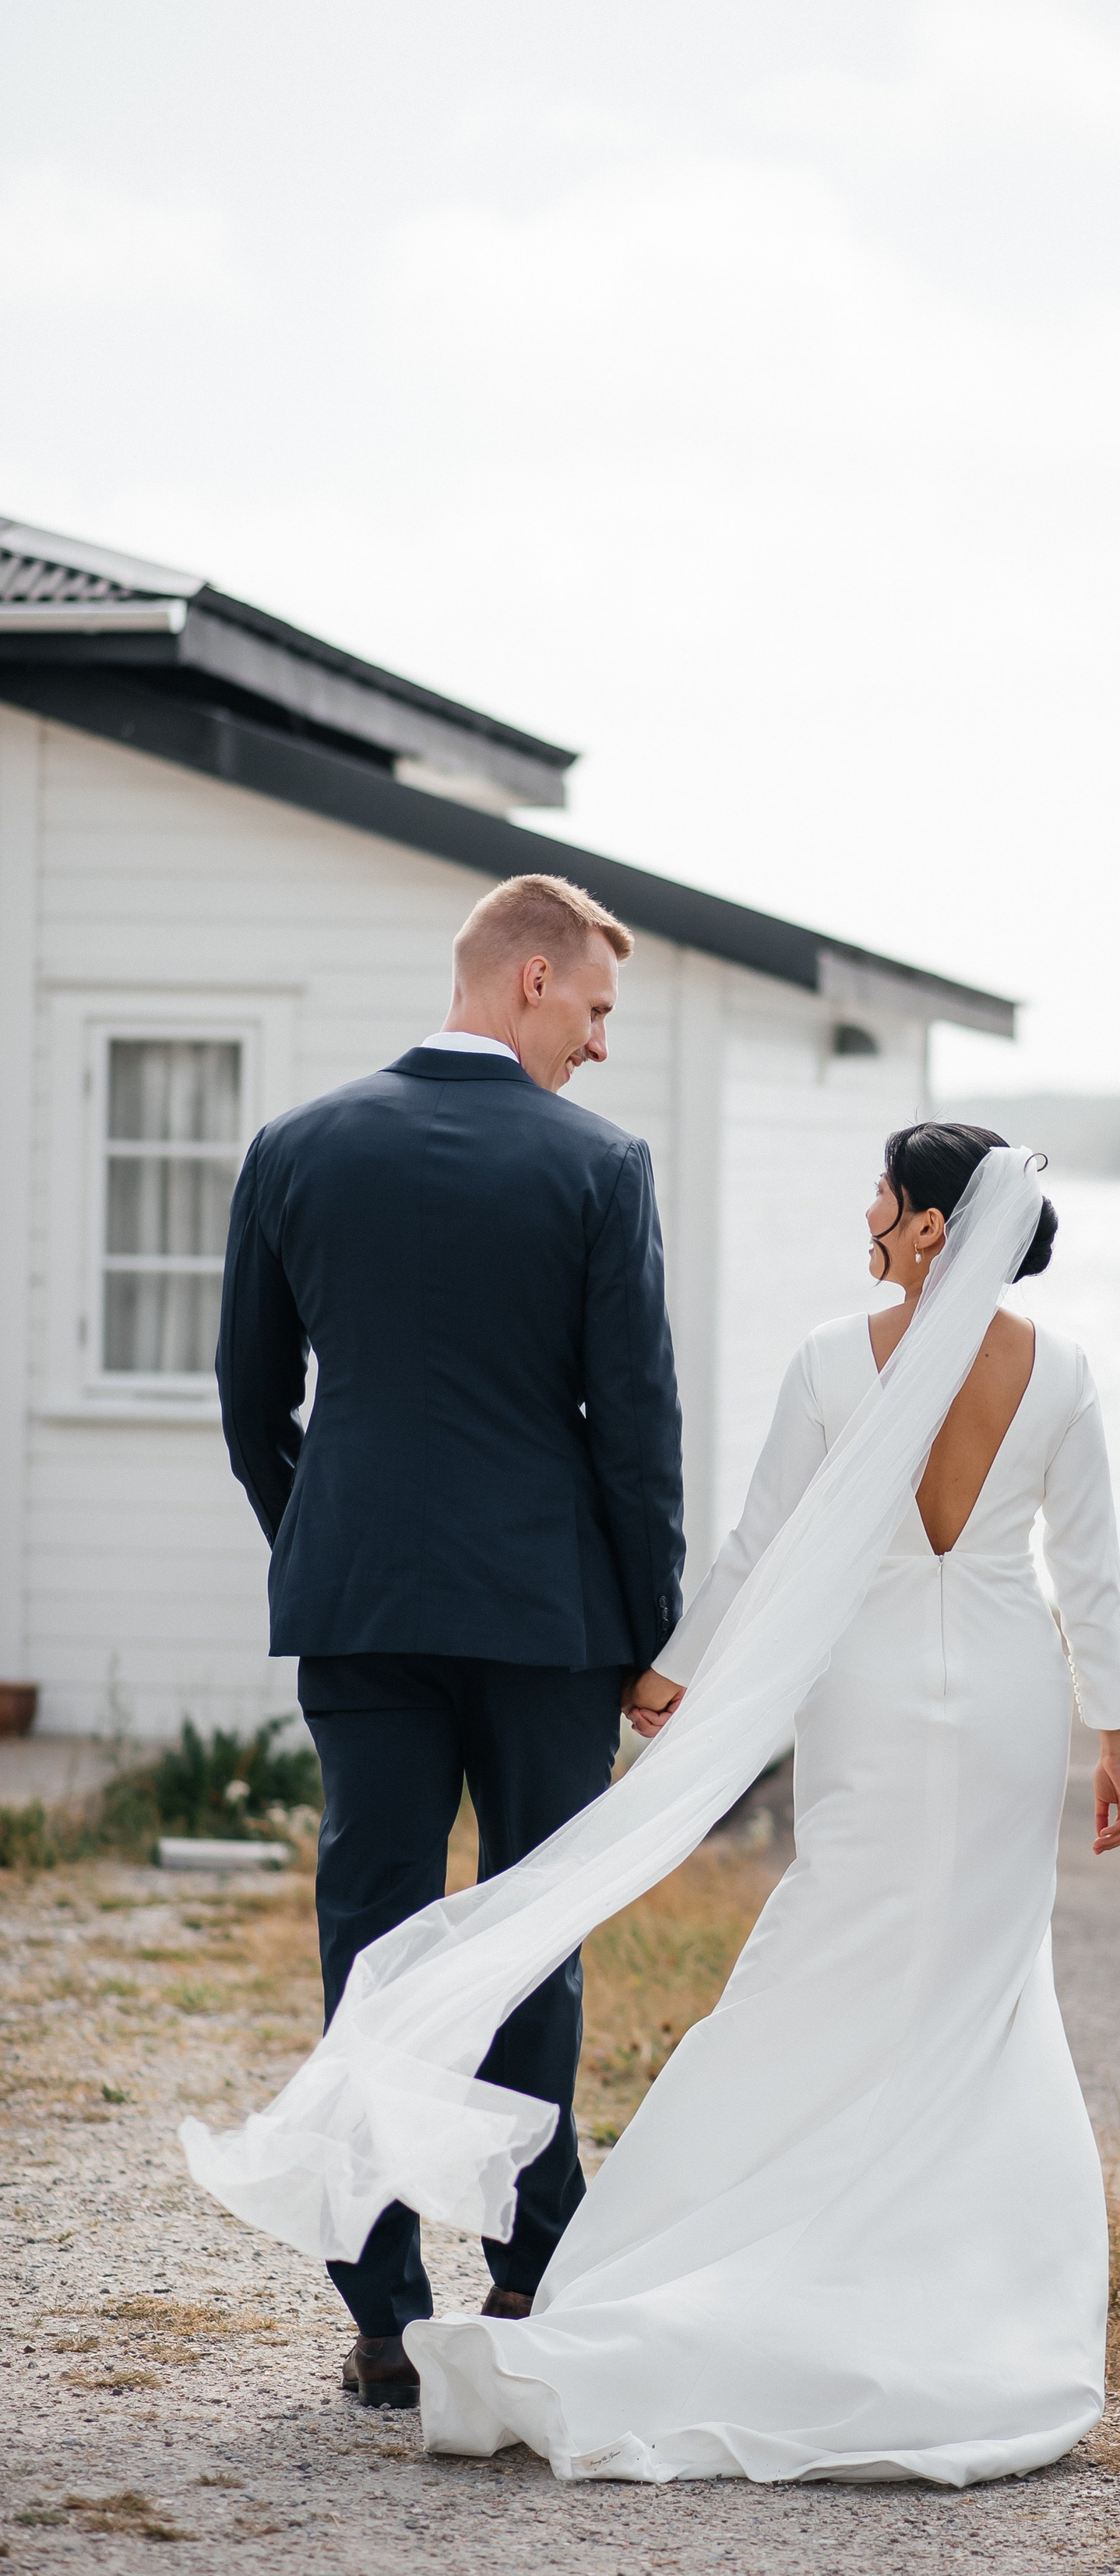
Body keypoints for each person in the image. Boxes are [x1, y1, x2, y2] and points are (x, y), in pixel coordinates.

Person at [401, 1122, 1120, 2483]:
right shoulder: (1066, 1374)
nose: (868, 1207)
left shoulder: (826, 1360)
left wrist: (670, 1672)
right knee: (981, 1979)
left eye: (886, 1191)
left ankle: (754, 2227)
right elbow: (1086, 1573)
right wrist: (1118, 1735)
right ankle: (944, 2264)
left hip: (861, 1694)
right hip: (1011, 1698)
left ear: (930, 1230)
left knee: (830, 1945)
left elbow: (759, 1547)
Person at [215, 872, 685, 2409]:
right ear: (532, 977)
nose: (603, 1047)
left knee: (372, 1935)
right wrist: (644, 1623)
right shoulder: (599, 1167)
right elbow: (635, 1429)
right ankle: (532, 2264)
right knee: (529, 1930)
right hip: (544, 1617)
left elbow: (249, 1402)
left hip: (362, 1608)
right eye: (599, 1010)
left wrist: (327, 1543)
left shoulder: (293, 1150)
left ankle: (385, 2312)